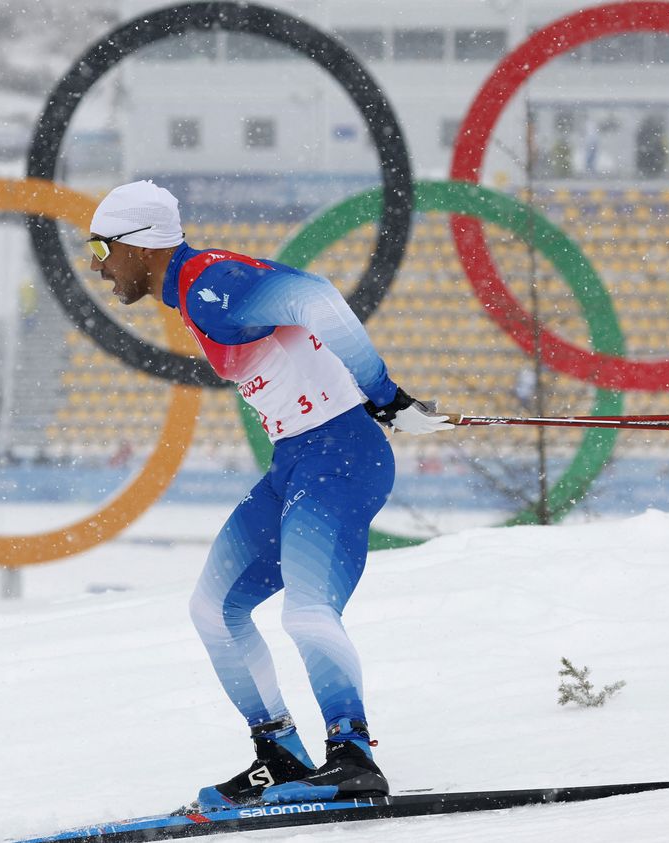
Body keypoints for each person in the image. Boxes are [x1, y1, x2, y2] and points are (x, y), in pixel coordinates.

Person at [85, 181, 451, 808]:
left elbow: (318, 298)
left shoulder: (205, 283)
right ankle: (279, 754)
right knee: (214, 609)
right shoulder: (200, 287)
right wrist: (373, 397)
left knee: (306, 612)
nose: (97, 265)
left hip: (339, 458)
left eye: (100, 246)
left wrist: (383, 393)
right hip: (299, 460)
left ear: (140, 245)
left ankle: (352, 756)